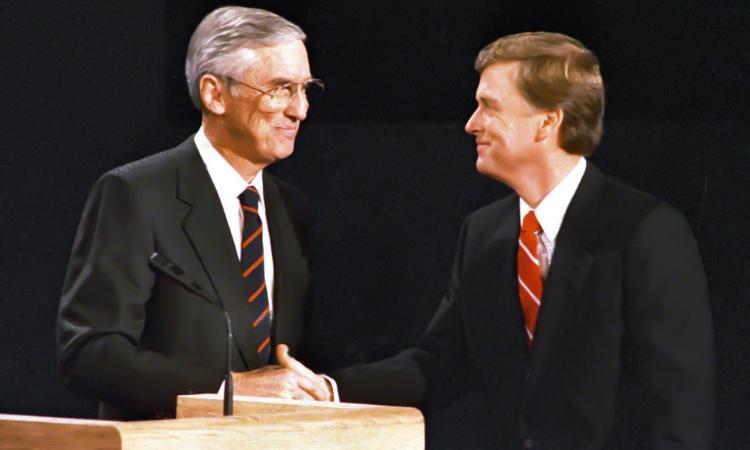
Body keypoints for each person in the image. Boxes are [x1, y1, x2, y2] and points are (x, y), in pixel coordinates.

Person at [333, 32, 715, 449]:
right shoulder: (483, 233)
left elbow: (680, 418)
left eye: (489, 107)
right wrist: (326, 388)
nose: (471, 123)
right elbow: (438, 365)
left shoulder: (646, 232)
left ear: (548, 121)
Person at [57, 6, 333, 420]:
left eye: (305, 89)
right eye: (280, 89)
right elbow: (89, 353)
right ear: (214, 94)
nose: (300, 110)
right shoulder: (136, 193)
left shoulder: (290, 208)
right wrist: (225, 389)